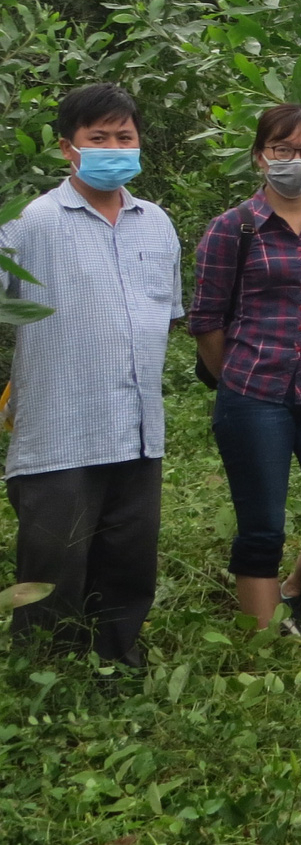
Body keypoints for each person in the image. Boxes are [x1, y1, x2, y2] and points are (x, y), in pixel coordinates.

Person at [0, 84, 178, 667]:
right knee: (52, 569)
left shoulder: (156, 223)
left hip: (136, 428)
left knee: (128, 561)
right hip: (60, 429)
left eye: (123, 137)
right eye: (97, 138)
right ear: (66, 148)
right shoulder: (32, 224)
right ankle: (43, 677)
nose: (112, 148)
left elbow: (164, 316)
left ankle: (116, 665)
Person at [190, 104, 301, 643]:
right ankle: (264, 640)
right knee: (262, 524)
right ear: (260, 157)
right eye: (283, 150)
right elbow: (205, 321)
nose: (297, 161)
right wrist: (237, 380)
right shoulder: (232, 229)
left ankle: (293, 591)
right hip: (252, 392)